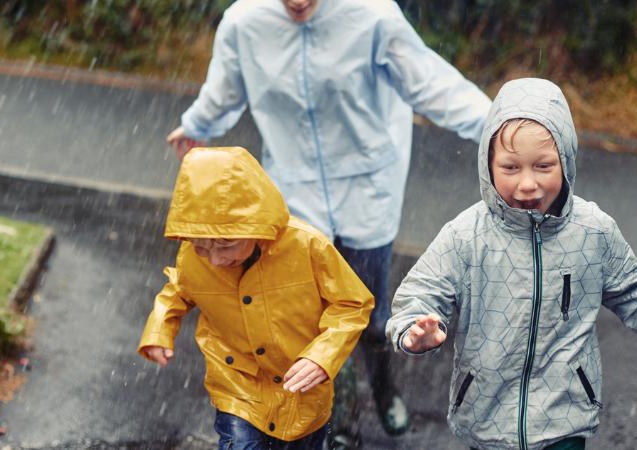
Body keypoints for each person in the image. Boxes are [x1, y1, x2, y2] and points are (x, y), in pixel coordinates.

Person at [165, 1, 492, 445]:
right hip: (294, 188)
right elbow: (225, 88)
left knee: (368, 310)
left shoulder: (372, 16)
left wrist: (502, 127)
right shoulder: (244, 22)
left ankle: (383, 384)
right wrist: (196, 125)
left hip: (368, 184)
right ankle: (340, 425)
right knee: (310, 315)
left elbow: (433, 84)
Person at [386, 78, 637, 450]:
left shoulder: (593, 231)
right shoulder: (466, 235)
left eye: (543, 166)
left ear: (566, 160)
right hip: (485, 420)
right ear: (488, 163)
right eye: (510, 168)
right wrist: (414, 334)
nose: (527, 184)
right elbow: (420, 295)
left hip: (564, 419)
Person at [137, 146, 374, 450]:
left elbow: (352, 304)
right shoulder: (193, 257)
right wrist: (160, 329)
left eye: (227, 245)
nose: (215, 260)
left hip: (300, 385)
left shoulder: (307, 246)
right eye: (201, 247)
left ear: (256, 224)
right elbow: (177, 290)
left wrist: (322, 357)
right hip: (236, 384)